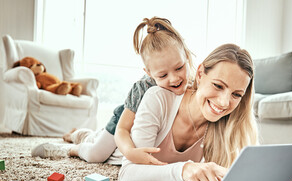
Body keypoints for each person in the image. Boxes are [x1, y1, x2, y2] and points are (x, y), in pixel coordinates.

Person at [117, 43, 292, 181]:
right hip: (116, 147)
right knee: (94, 151)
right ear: (200, 73)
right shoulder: (158, 98)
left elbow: (236, 175)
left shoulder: (226, 125)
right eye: (218, 86)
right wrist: (184, 169)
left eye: (236, 95)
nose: (224, 103)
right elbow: (127, 173)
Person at [31, 17, 194, 165]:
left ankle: (82, 133)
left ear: (186, 57)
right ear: (149, 73)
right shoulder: (143, 88)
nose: (174, 79)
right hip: (122, 122)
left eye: (179, 68)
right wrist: (130, 152)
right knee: (97, 154)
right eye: (163, 75)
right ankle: (72, 148)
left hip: (148, 129)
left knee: (100, 142)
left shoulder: (194, 85)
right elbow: (122, 129)